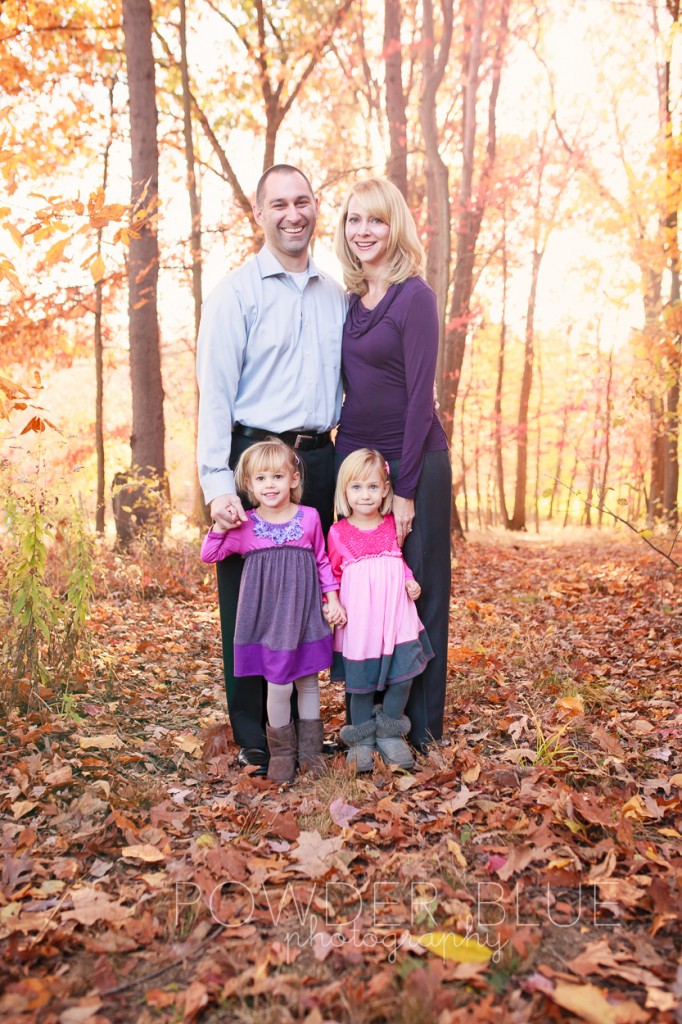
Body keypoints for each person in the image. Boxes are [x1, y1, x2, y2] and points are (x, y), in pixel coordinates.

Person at [197, 164, 347, 774]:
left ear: (316, 208)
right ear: (259, 214)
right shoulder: (236, 293)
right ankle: (256, 736)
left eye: (303, 202)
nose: (293, 214)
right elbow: (214, 393)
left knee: (312, 594)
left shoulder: (335, 293)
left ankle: (305, 732)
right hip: (254, 459)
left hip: (318, 458)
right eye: (279, 204)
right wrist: (215, 483)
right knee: (249, 605)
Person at [333, 177, 452, 752]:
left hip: (414, 466)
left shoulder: (415, 297)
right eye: (355, 220)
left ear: (395, 226)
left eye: (376, 220)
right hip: (357, 469)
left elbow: (418, 401)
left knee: (418, 592)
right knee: (363, 593)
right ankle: (368, 720)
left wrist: (402, 489)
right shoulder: (353, 302)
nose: (364, 231)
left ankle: (421, 725)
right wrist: (347, 475)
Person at [200, 440, 346, 782]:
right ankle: (281, 753)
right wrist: (220, 526)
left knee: (309, 683)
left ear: (293, 479)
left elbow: (323, 562)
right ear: (249, 486)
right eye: (261, 478)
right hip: (269, 622)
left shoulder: (309, 518)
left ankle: (310, 753)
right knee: (278, 685)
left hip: (306, 615)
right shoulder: (245, 526)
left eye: (278, 476)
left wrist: (333, 599)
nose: (270, 484)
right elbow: (211, 555)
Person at [328, 450, 433, 771]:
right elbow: (330, 573)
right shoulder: (338, 532)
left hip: (396, 615)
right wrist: (331, 602)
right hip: (360, 621)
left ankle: (390, 732)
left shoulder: (392, 526)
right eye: (356, 487)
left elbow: (397, 564)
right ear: (344, 491)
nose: (365, 495)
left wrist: (410, 581)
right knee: (361, 683)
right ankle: (361, 740)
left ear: (386, 490)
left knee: (403, 676)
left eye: (373, 487)